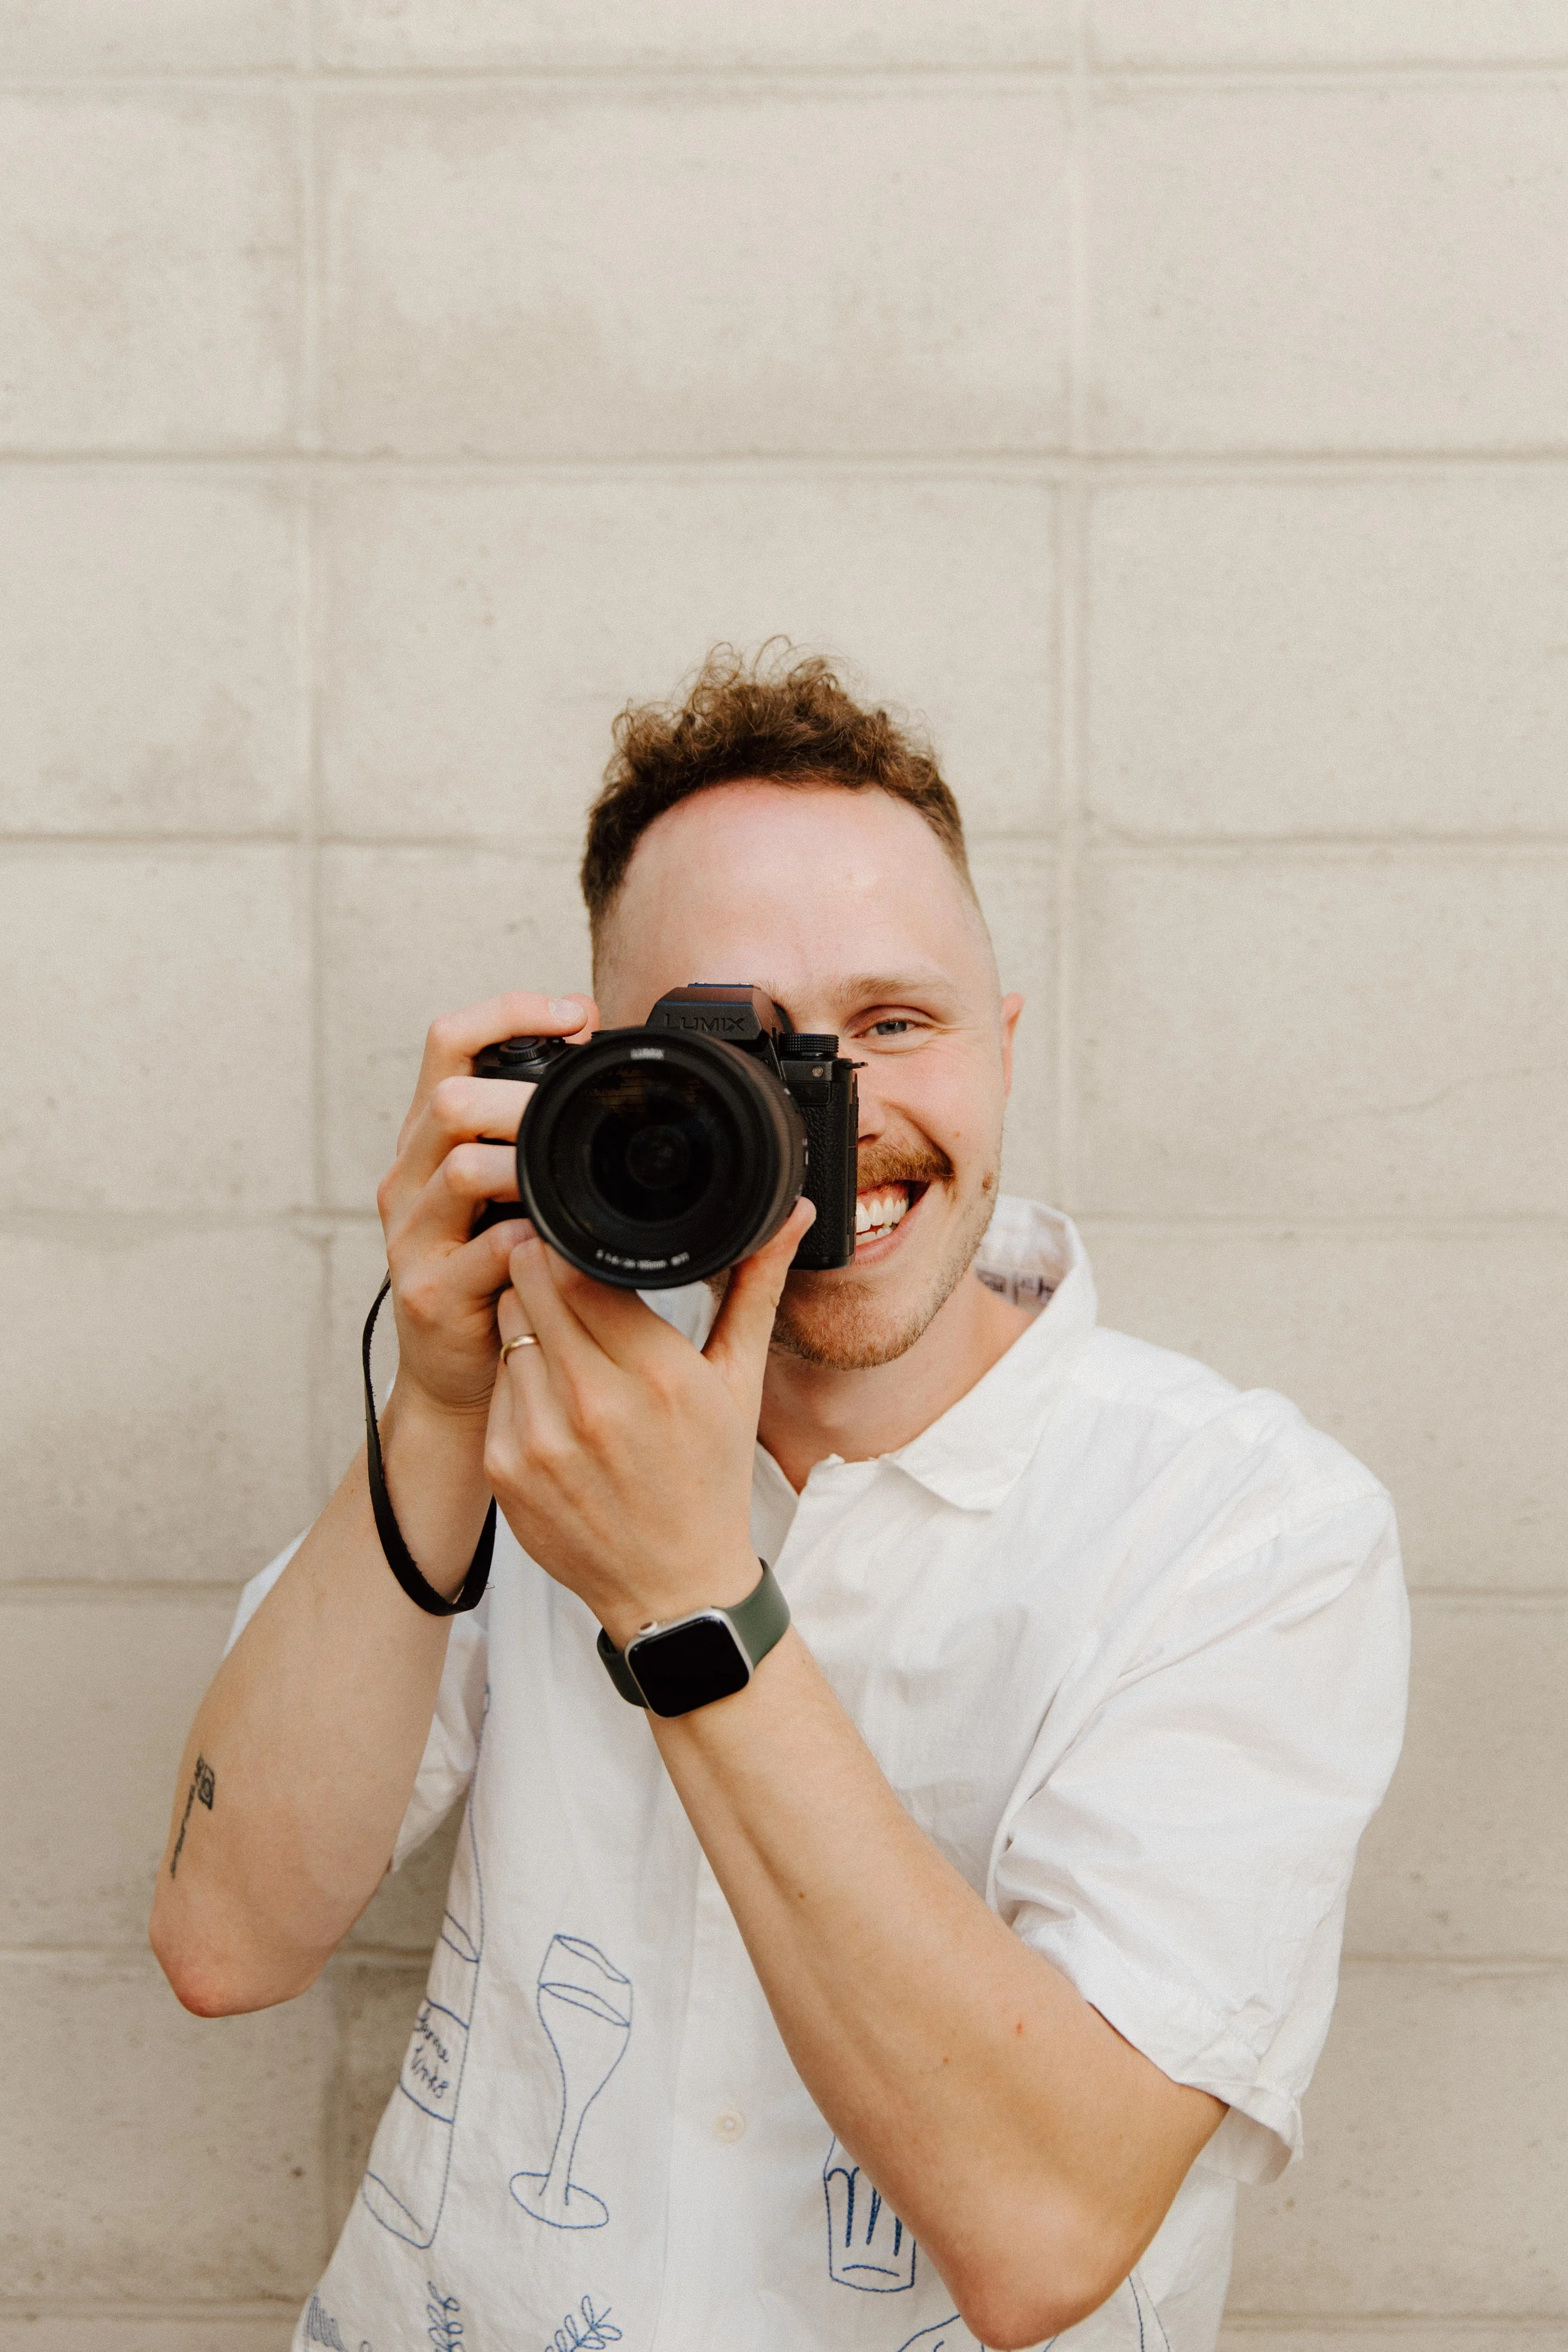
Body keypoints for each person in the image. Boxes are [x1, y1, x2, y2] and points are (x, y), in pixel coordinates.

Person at [151, 652, 1408, 2352]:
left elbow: (1046, 2233)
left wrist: (688, 1601)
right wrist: (439, 1403)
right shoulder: (531, 1421)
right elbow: (226, 1938)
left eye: (894, 1022)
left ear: (1005, 1042)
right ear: (597, 1078)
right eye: (735, 1045)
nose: (833, 1119)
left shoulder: (1242, 1528)